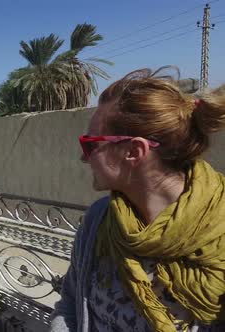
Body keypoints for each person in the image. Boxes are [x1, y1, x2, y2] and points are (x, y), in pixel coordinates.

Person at [51, 67, 225, 332]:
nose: (84, 158)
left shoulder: (218, 229)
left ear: (134, 151)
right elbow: (71, 302)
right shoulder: (100, 219)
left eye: (90, 144)